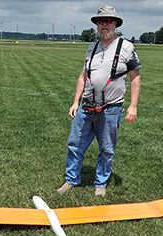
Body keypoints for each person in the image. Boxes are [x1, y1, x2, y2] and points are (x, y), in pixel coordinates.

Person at [58, 6, 141, 196]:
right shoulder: (92, 48)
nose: (104, 25)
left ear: (115, 24)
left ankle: (100, 184)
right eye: (101, 21)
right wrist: (75, 102)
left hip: (111, 109)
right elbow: (83, 76)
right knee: (75, 145)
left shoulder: (126, 47)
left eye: (108, 21)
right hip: (87, 107)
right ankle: (71, 180)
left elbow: (135, 77)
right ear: (97, 25)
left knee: (106, 149)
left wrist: (133, 106)